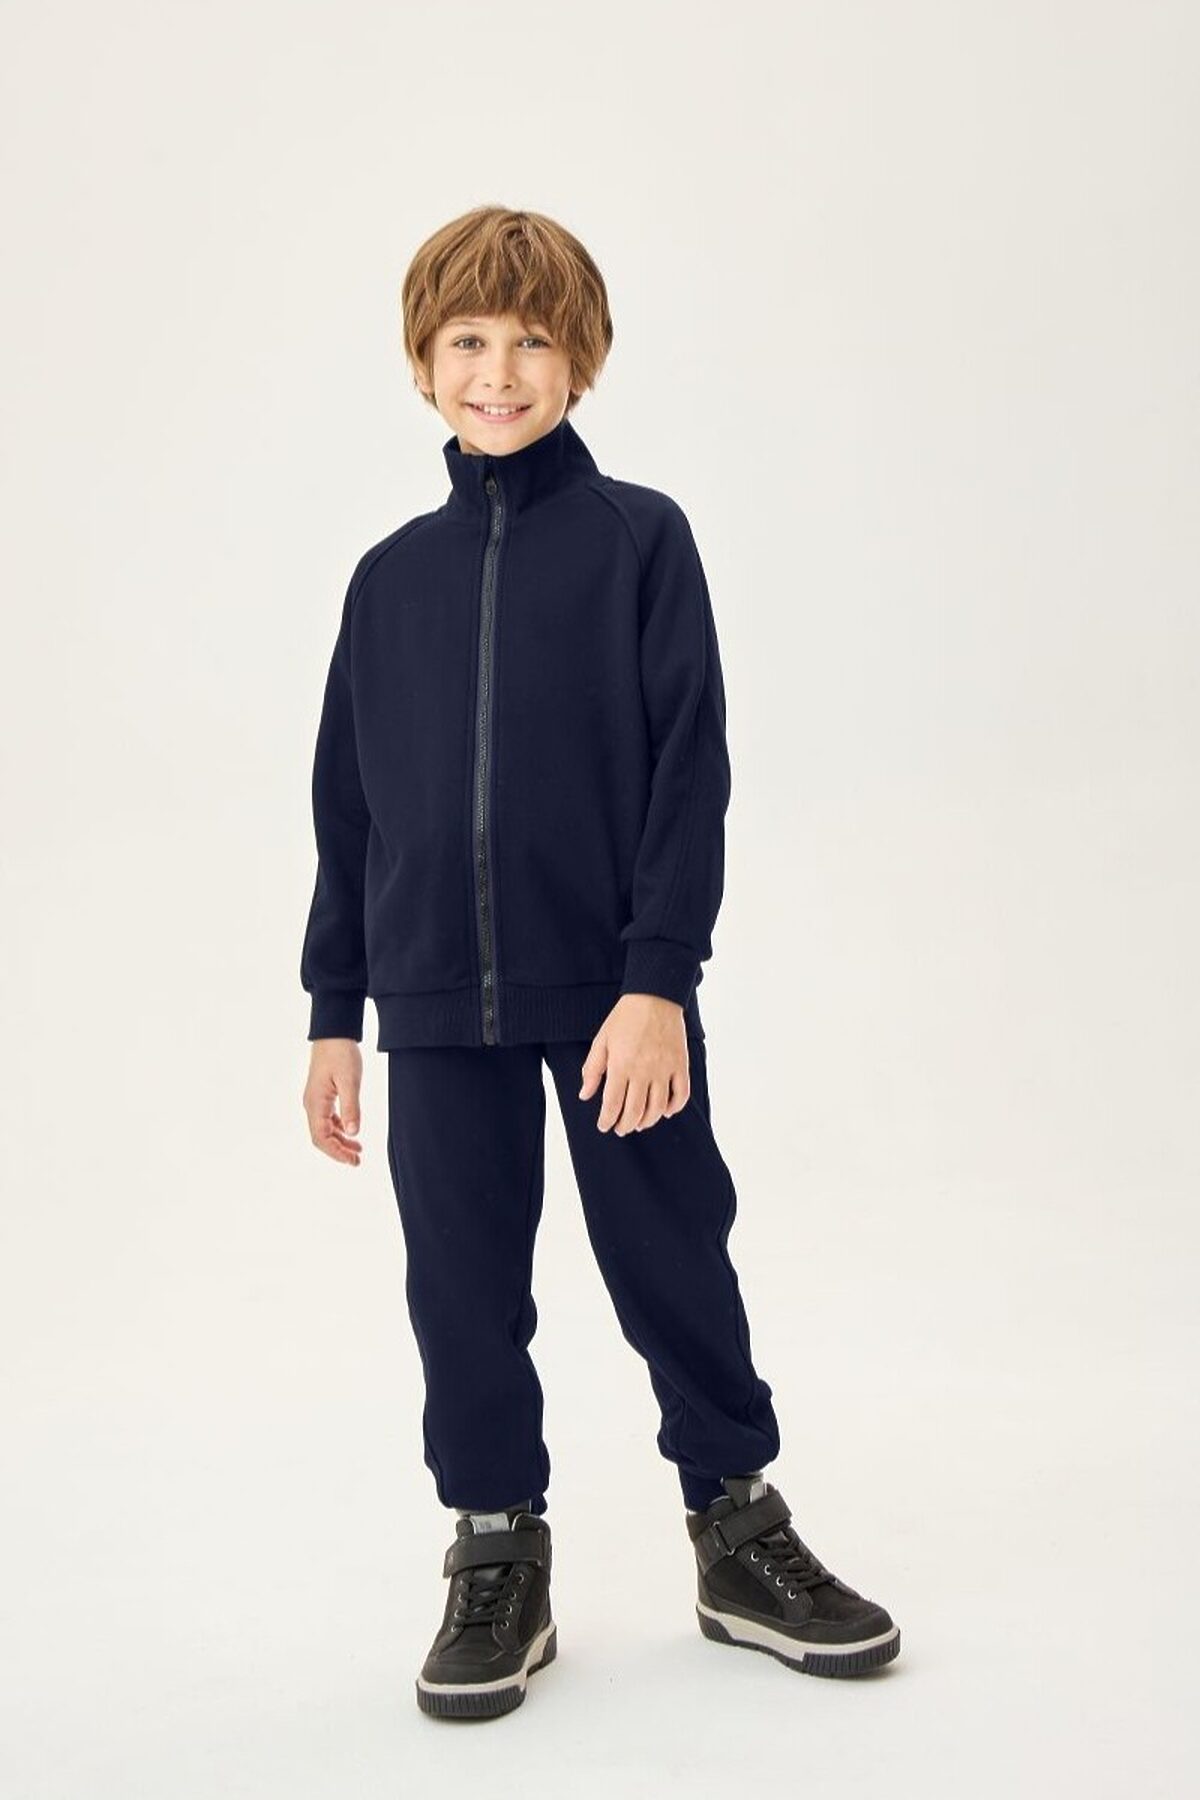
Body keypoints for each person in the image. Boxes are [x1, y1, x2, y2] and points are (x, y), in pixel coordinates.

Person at [299, 205, 900, 1720]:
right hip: (430, 999)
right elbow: (348, 807)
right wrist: (334, 1011)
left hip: (614, 994)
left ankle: (736, 1530)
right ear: (424, 364)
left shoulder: (641, 539)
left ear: (583, 361)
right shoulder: (388, 580)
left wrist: (657, 980)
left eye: (533, 342)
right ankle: (496, 1549)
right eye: (468, 342)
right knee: (461, 1285)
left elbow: (689, 771)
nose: (499, 372)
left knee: (671, 1251)